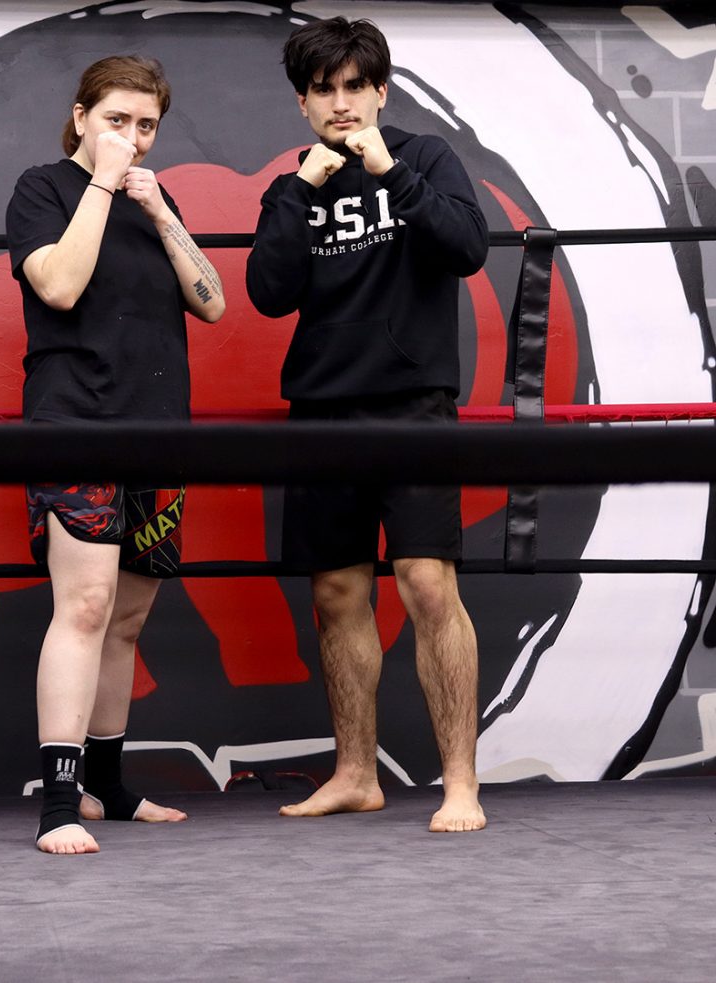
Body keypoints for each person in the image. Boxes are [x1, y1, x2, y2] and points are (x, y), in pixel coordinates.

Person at [246, 17, 489, 832]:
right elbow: (269, 292)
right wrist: (304, 191)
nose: (342, 102)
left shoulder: (423, 159)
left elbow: (467, 248)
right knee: (338, 592)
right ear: (303, 104)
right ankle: (357, 772)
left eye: (357, 86)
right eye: (325, 89)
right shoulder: (290, 187)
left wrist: (393, 176)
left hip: (414, 404)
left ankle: (461, 783)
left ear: (381, 92)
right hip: (321, 410)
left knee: (427, 584)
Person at [6, 55, 225, 854]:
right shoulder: (44, 189)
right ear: (79, 118)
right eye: (115, 121)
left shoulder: (151, 199)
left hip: (158, 429)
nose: (129, 138)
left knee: (128, 618)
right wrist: (102, 182)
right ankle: (58, 802)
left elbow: (213, 301)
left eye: (144, 125)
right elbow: (59, 287)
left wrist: (162, 213)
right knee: (87, 605)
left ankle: (107, 784)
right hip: (77, 422)